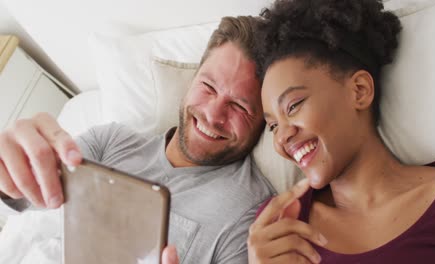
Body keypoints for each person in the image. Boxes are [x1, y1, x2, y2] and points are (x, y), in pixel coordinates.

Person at [0, 16, 277, 264]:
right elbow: (35, 202)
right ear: (192, 80)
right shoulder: (108, 141)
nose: (213, 114)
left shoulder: (251, 212)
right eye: (208, 86)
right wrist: (11, 167)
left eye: (240, 107)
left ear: (264, 120)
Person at [248, 0, 435, 263]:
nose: (282, 137)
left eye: (293, 106)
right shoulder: (278, 226)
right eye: (272, 126)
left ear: (359, 91)